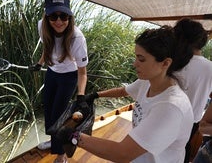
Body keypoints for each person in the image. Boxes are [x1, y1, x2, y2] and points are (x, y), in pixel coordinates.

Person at [56, 26, 194, 162]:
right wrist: (95, 95)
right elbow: (122, 91)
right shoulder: (147, 82)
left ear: (165, 63)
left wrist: (72, 136)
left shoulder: (170, 107)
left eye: (141, 59)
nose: (135, 64)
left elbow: (122, 154)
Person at [30, 0, 89, 163]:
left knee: (59, 115)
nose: (58, 21)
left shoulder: (77, 38)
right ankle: (53, 141)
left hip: (69, 76)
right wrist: (39, 63)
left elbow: (82, 72)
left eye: (63, 16)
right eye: (53, 16)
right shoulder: (42, 26)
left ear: (69, 17)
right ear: (46, 16)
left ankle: (61, 153)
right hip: (52, 72)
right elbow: (47, 47)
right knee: (48, 108)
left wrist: (81, 96)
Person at [172, 18, 212, 163]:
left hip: (168, 114)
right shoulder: (210, 67)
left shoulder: (172, 61)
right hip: (192, 121)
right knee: (183, 148)